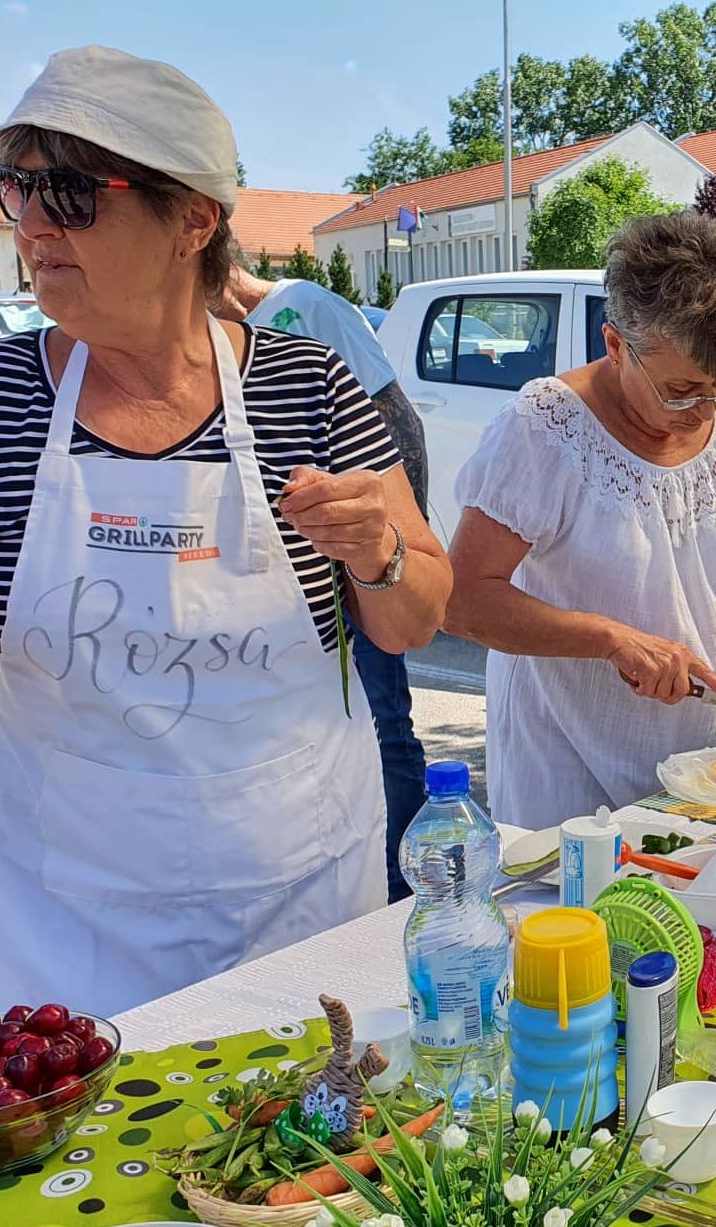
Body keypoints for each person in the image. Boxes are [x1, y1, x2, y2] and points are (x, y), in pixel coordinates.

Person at [0, 46, 451, 1030]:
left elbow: (414, 617)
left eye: (72, 193)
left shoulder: (307, 389)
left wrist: (381, 553)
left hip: (287, 909)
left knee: (271, 1170)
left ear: (193, 220)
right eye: (18, 186)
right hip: (39, 923)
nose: (33, 223)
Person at [443, 211, 716, 829]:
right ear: (616, 346)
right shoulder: (544, 430)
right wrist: (612, 640)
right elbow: (463, 601)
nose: (703, 410)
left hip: (702, 768)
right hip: (566, 769)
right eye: (680, 390)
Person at [215, 261, 431, 904]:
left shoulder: (307, 305)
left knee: (384, 722)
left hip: (351, 567)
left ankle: (406, 885)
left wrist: (388, 551)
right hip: (283, 581)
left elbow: (397, 421)